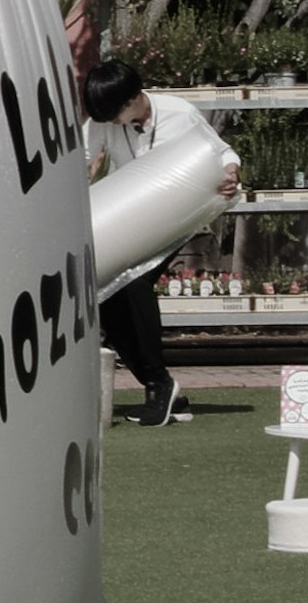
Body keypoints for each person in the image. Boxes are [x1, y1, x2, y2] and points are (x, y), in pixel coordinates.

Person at [87, 55, 232, 430]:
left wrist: (231, 172)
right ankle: (164, 390)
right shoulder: (105, 122)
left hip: (172, 223)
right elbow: (81, 158)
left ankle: (159, 384)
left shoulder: (179, 114)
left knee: (133, 284)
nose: (111, 125)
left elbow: (221, 152)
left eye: (115, 114)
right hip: (130, 224)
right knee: (106, 296)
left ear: (134, 98)